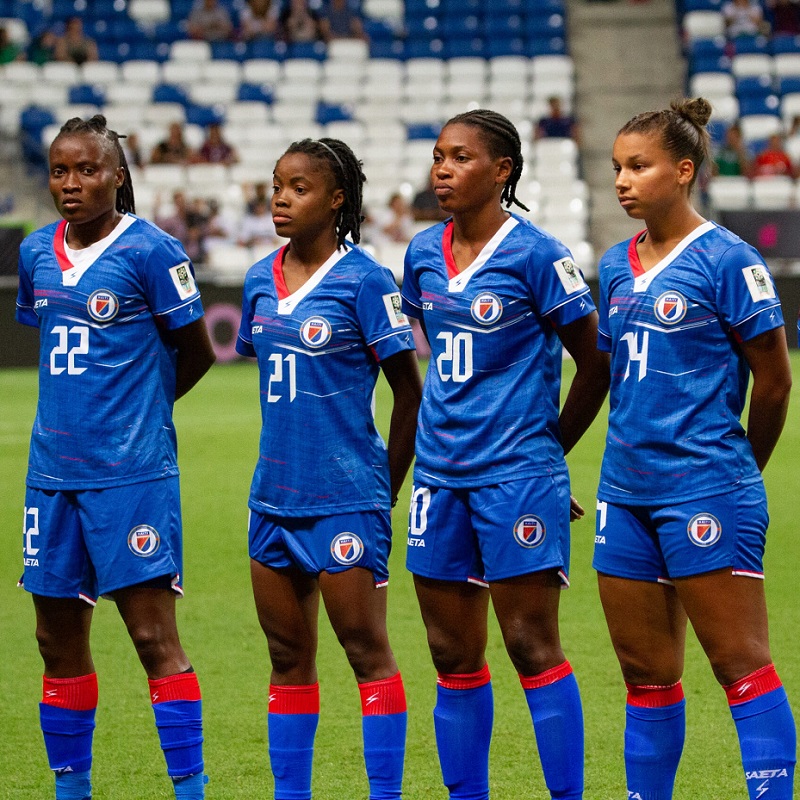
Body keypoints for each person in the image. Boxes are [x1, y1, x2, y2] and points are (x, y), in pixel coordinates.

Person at [401, 109, 610, 800]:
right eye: (439, 156)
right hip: (437, 478)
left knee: (529, 645)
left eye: (460, 157)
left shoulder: (537, 254)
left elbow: (596, 362)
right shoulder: (423, 253)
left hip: (515, 478)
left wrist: (549, 452)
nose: (442, 168)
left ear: (503, 171)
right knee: (451, 655)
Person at [596, 97, 795, 800]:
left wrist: (739, 470)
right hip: (623, 494)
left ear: (683, 171)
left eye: (639, 166)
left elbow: (773, 384)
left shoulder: (728, 261)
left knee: (740, 663)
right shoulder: (614, 266)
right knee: (645, 674)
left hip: (706, 488)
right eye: (617, 167)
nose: (623, 180)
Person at [15, 115, 216, 800]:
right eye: (61, 171)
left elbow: (196, 352)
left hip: (130, 477)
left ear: (118, 175)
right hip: (52, 477)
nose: (72, 184)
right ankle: (72, 791)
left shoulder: (152, 252)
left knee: (152, 639)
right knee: (55, 642)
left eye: (88, 170)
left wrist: (142, 417)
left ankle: (189, 789)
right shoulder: (37, 250)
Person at [235, 137, 422, 800]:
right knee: (287, 662)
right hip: (272, 502)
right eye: (277, 186)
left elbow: (410, 391)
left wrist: (383, 491)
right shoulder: (259, 279)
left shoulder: (366, 280)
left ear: (337, 199)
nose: (282, 198)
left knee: (367, 656)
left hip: (346, 499)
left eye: (300, 187)